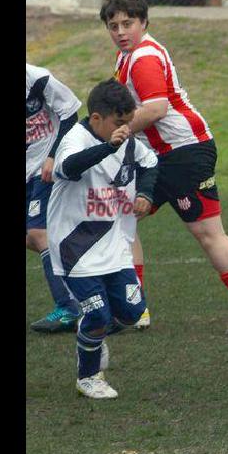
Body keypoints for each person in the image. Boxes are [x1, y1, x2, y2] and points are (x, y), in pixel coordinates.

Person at [100, 0, 228, 336]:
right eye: (113, 25)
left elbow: (156, 108)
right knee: (120, 218)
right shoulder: (128, 57)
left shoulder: (144, 57)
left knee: (208, 233)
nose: (120, 32)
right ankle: (133, 310)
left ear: (144, 22)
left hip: (182, 154)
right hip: (162, 156)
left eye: (128, 23)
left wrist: (112, 135)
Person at [48, 79, 158, 398]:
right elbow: (67, 167)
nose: (126, 129)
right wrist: (108, 147)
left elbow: (150, 164)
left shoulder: (128, 142)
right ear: (97, 119)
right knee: (97, 314)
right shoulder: (76, 140)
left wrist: (147, 195)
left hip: (115, 247)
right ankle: (88, 376)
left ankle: (92, 338)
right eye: (119, 123)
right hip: (75, 249)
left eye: (128, 122)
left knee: (132, 312)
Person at [26, 63, 82, 333]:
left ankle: (69, 307)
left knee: (38, 232)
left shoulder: (37, 78)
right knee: (34, 237)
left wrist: (53, 156)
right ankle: (88, 276)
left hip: (45, 167)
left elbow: (70, 113)